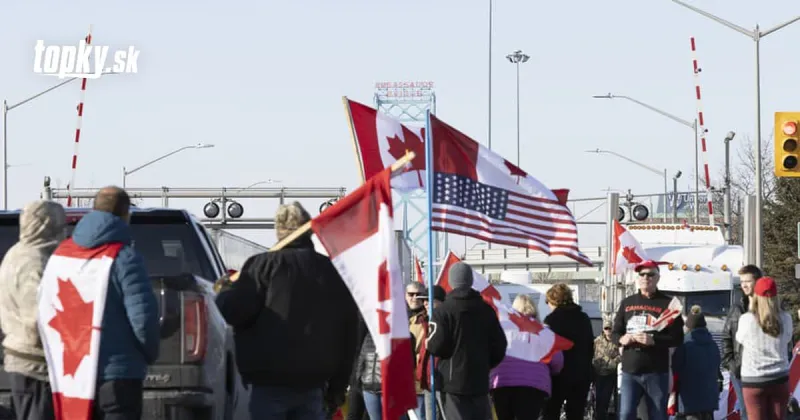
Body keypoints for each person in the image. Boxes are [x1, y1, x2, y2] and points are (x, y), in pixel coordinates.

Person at [215, 201, 360, 419]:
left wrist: (224, 291)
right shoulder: (331, 271)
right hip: (315, 381)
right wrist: (338, 387)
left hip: (269, 381)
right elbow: (348, 331)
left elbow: (234, 312)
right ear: (308, 230)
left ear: (278, 231)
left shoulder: (261, 266)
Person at [68, 186, 161, 419]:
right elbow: (142, 318)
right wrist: (149, 353)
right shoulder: (125, 258)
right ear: (126, 215)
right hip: (119, 373)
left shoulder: (65, 257)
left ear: (93, 210)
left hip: (75, 372)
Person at [0, 201, 66, 420]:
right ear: (48, 224)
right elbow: (37, 320)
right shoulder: (34, 261)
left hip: (22, 360)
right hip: (34, 366)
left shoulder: (15, 254)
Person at [426, 262, 507, 420]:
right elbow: (500, 346)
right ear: (470, 281)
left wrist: (428, 343)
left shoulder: (443, 311)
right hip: (480, 381)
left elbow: (436, 346)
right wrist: (486, 364)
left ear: (451, 282)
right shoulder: (487, 310)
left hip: (452, 383)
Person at [611, 260, 684, 420]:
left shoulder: (669, 304)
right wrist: (622, 339)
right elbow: (614, 333)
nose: (646, 278)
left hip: (656, 371)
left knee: (658, 414)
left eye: (650, 274)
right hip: (630, 370)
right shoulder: (627, 302)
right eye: (642, 274)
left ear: (658, 277)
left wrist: (654, 340)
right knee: (625, 414)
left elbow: (678, 338)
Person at [490, 294, 564, 420]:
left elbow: (492, 354)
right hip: (533, 385)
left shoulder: (502, 330)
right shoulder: (544, 332)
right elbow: (558, 362)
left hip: (502, 382)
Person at [735, 277, 792, 420]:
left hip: (753, 379)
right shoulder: (785, 318)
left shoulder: (746, 319)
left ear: (756, 296)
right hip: (779, 377)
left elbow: (739, 339)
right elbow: (788, 339)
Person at [542, 283, 595, 420]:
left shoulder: (552, 320)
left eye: (548, 302)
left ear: (554, 301)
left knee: (551, 411)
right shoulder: (583, 318)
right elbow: (590, 346)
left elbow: (547, 348)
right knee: (576, 413)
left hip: (558, 374)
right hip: (581, 373)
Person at [722, 264, 761, 420]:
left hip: (763, 370)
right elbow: (726, 337)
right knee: (747, 410)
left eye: (748, 281)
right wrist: (731, 364)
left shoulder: (768, 308)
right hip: (740, 371)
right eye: (742, 281)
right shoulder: (737, 308)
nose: (744, 285)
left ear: (757, 282)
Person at [671, 305, 722, 420]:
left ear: (688, 326)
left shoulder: (684, 345)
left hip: (689, 400)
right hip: (710, 399)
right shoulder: (713, 344)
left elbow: (674, 368)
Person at [413, 285, 447, 420]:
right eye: (424, 300)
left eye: (430, 299)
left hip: (443, 381)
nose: (425, 303)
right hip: (427, 382)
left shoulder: (447, 320)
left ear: (441, 302)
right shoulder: (421, 321)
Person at [408, 284, 429, 420]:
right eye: (411, 294)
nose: (415, 298)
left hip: (419, 383)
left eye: (419, 295)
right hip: (403, 383)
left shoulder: (426, 319)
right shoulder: (401, 317)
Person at [592, 319, 621, 420]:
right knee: (598, 398)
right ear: (603, 329)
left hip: (611, 373)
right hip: (598, 373)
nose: (608, 330)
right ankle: (598, 416)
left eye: (609, 328)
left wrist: (613, 362)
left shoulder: (617, 341)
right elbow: (592, 354)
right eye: (606, 328)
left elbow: (621, 355)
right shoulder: (597, 341)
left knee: (607, 398)